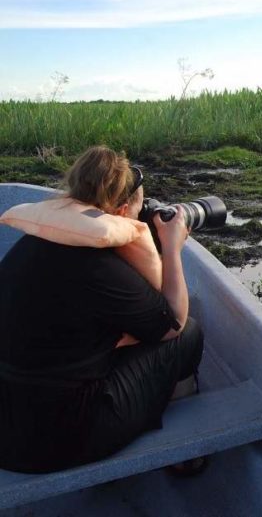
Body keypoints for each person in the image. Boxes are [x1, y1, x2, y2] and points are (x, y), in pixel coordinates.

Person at [0, 145, 204, 473]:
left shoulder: (32, 244)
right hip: (61, 439)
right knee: (190, 334)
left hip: (7, 426)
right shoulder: (100, 269)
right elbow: (172, 323)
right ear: (122, 213)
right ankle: (181, 451)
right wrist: (172, 247)